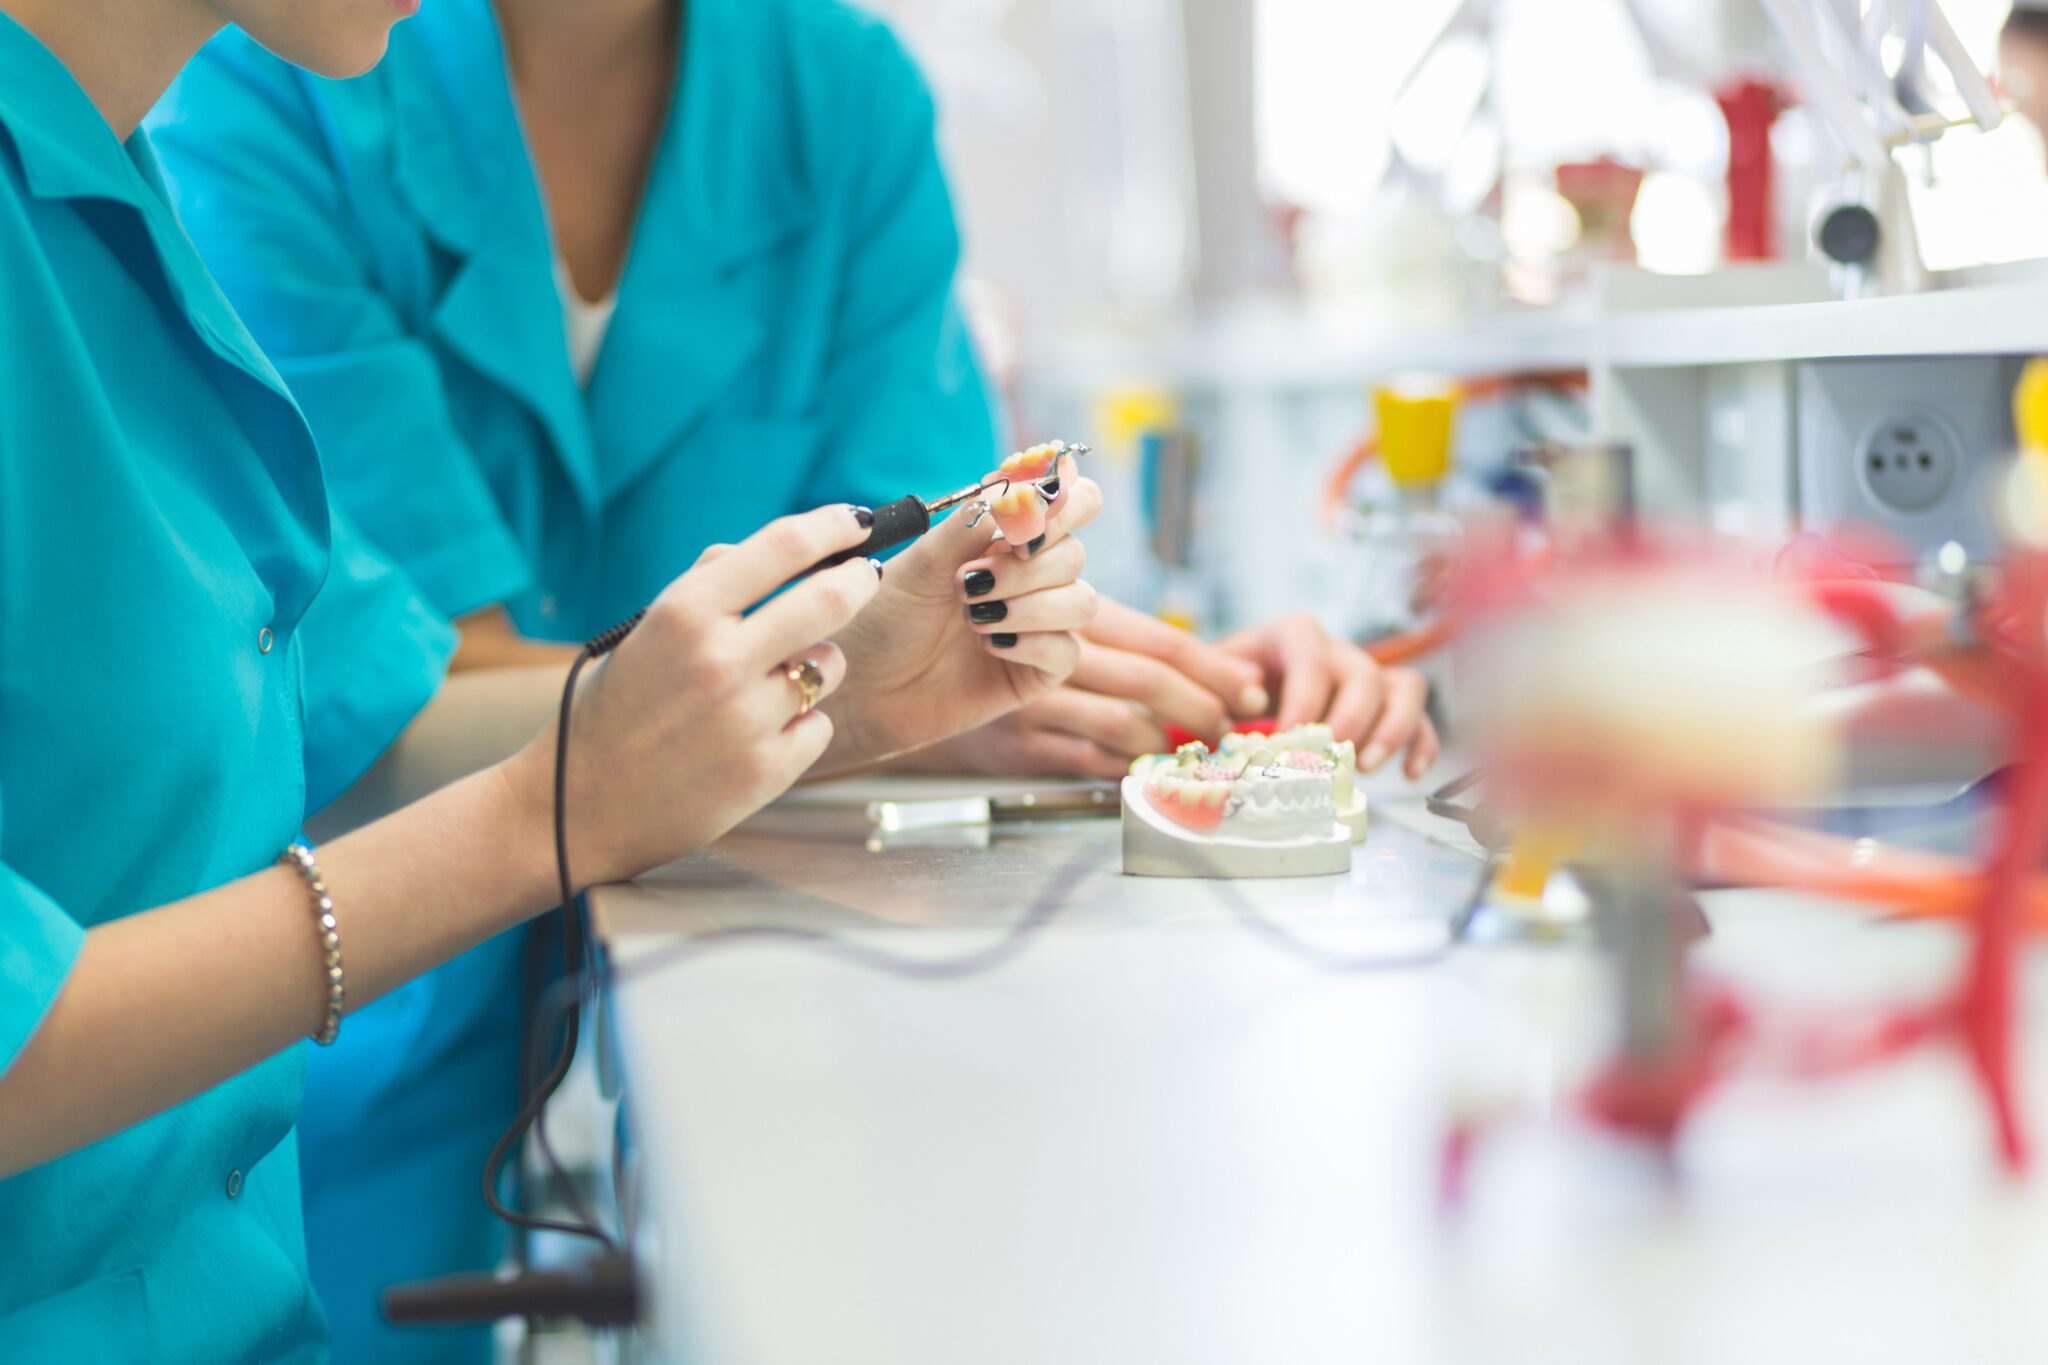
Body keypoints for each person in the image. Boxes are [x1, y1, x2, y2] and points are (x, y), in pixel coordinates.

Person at [152, 1, 1438, 1358]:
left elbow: (941, 588)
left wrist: (1199, 686)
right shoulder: (284, 69)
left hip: (755, 982)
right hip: (334, 1006)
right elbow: (399, 688)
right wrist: (867, 699)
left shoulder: (837, 90)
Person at [0, 0, 1102, 1359]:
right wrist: (544, 814)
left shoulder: (113, 197)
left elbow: (368, 706)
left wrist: (849, 690)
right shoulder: (207, 145)